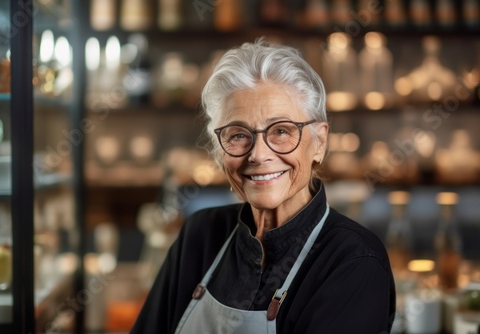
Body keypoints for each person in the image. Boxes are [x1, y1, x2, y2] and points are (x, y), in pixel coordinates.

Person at [131, 38, 395, 334]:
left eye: (281, 131)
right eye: (238, 135)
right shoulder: (200, 235)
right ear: (220, 151)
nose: (258, 155)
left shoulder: (354, 260)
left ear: (319, 142)